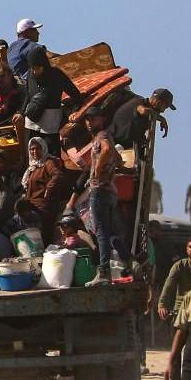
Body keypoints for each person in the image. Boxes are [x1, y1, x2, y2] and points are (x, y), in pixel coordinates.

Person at [73, 109, 124, 284]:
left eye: (93, 119)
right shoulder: (104, 136)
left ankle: (103, 273)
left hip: (100, 190)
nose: (89, 123)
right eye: (87, 120)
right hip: (109, 190)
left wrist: (98, 170)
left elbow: (108, 150)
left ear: (102, 120)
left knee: (101, 233)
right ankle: (133, 261)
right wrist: (111, 169)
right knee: (108, 233)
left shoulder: (102, 135)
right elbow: (117, 158)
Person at [21, 49, 82, 143]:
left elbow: (76, 95)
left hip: (50, 126)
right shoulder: (30, 75)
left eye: (37, 68)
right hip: (31, 123)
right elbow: (28, 95)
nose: (34, 72)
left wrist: (74, 111)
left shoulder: (56, 75)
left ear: (44, 65)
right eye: (32, 68)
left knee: (51, 155)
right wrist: (21, 113)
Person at [22, 137, 75, 244]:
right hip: (33, 206)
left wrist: (48, 189)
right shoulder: (33, 167)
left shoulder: (48, 162)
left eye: (38, 148)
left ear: (44, 149)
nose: (34, 151)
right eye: (32, 149)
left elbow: (58, 175)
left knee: (44, 236)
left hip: (43, 206)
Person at [110, 87, 175, 151]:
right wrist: (161, 119)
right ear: (157, 101)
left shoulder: (149, 115)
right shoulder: (139, 101)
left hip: (126, 147)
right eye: (165, 107)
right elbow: (143, 110)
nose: (163, 111)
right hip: (113, 142)